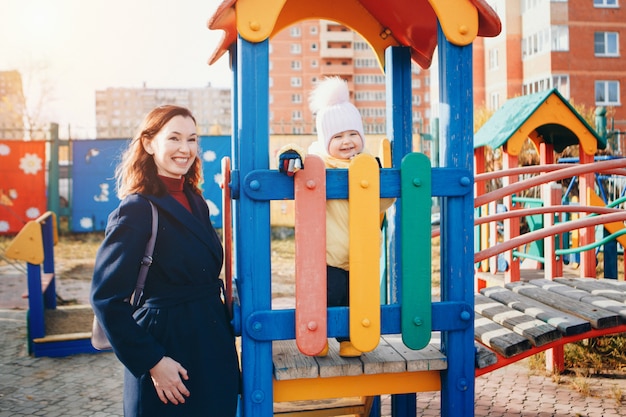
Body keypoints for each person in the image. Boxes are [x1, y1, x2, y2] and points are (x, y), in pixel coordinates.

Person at [90, 105, 240, 416]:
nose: (185, 149)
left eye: (192, 139)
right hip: (167, 350)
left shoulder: (196, 201)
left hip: (211, 346)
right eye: (174, 138)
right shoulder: (137, 209)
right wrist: (153, 362)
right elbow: (106, 298)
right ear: (148, 143)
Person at [279, 77, 394, 357]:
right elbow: (291, 165)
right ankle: (317, 339)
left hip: (361, 254)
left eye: (352, 134)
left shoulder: (368, 165)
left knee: (358, 299)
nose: (347, 142)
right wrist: (289, 157)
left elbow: (385, 202)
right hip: (327, 254)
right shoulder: (317, 164)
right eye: (337, 137)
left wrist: (379, 173)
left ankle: (349, 339)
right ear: (324, 141)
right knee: (327, 298)